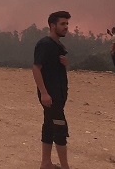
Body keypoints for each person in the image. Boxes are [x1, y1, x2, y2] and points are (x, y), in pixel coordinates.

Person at [32, 11, 71, 169]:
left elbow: (54, 69)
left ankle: (46, 163)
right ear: (52, 25)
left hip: (58, 95)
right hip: (51, 96)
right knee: (60, 129)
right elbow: (36, 68)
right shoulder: (45, 44)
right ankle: (65, 167)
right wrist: (44, 93)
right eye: (63, 24)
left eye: (67, 24)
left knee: (49, 125)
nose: (66, 27)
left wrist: (65, 64)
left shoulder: (58, 45)